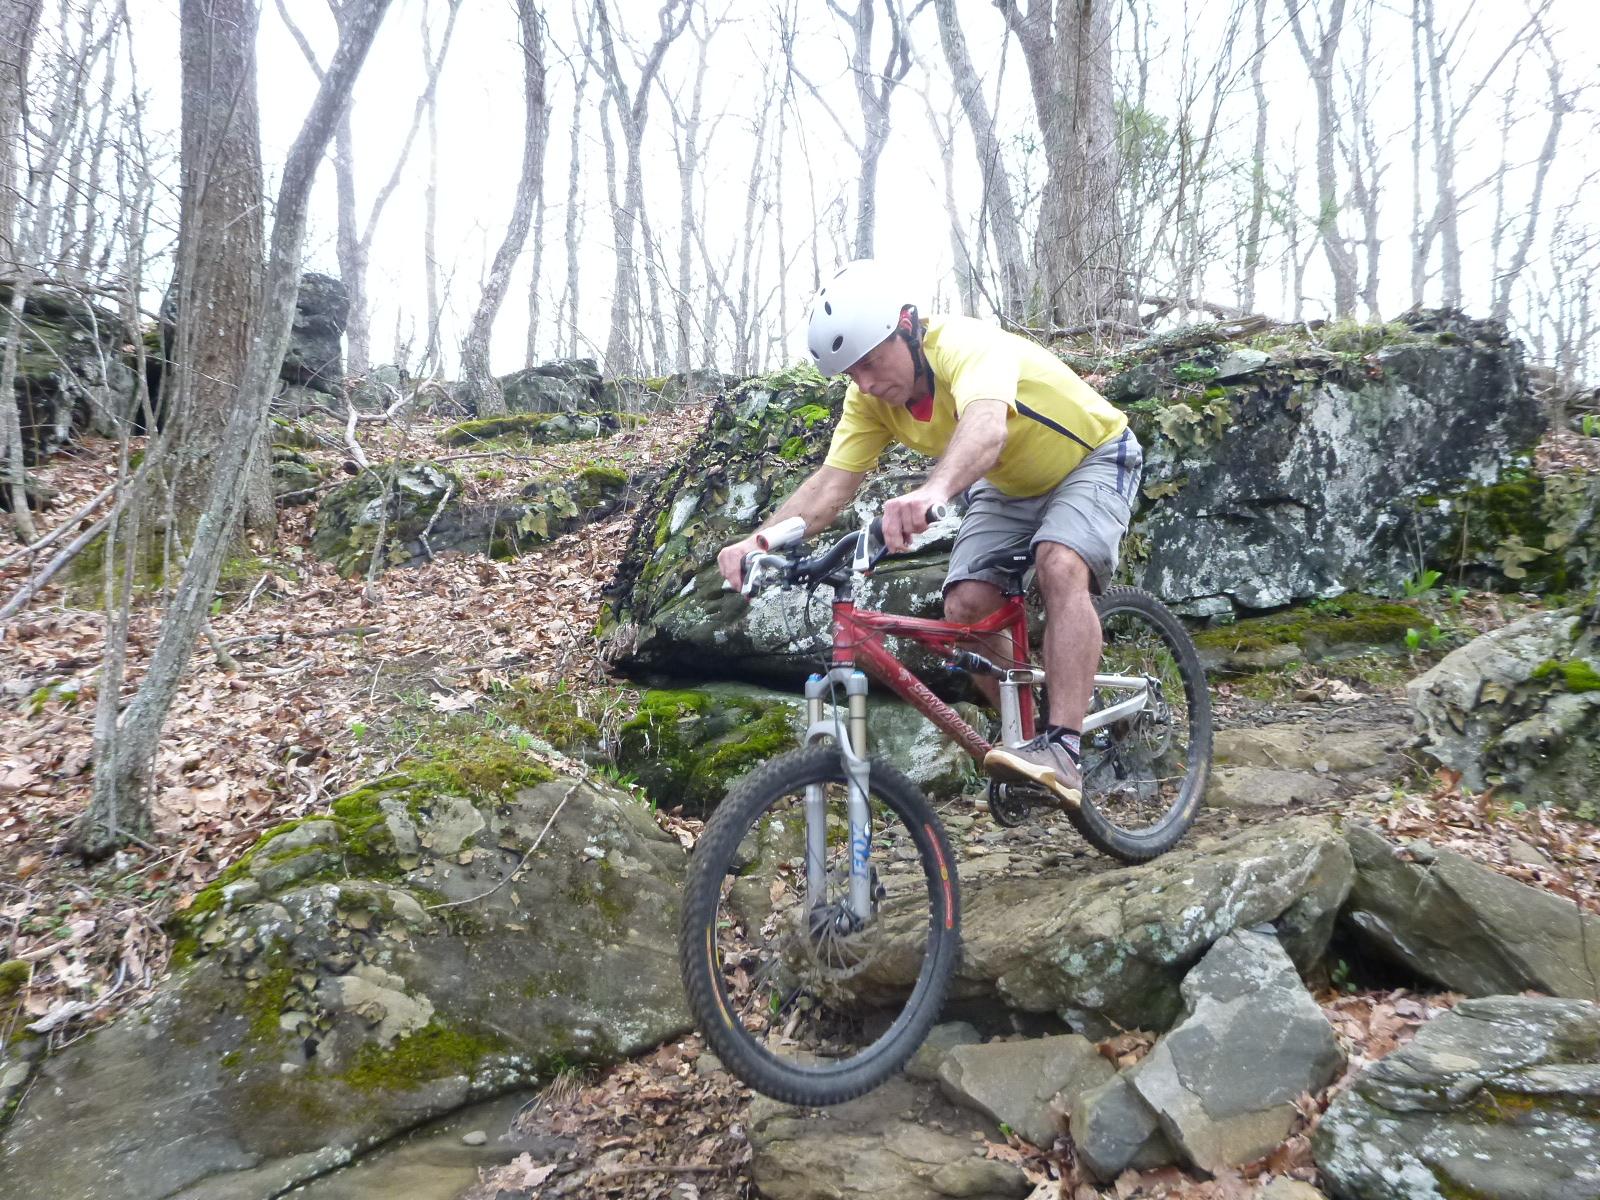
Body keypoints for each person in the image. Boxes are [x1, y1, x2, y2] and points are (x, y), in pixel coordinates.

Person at [716, 260, 1142, 807]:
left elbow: (986, 429)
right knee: (965, 608)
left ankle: (1064, 746)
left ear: (908, 326)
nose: (866, 382)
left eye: (870, 361)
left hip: (1093, 456)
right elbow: (830, 486)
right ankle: (1030, 740)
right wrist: (760, 540)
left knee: (1060, 562)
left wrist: (932, 492)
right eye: (852, 373)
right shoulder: (870, 400)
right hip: (1008, 484)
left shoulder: (966, 345)